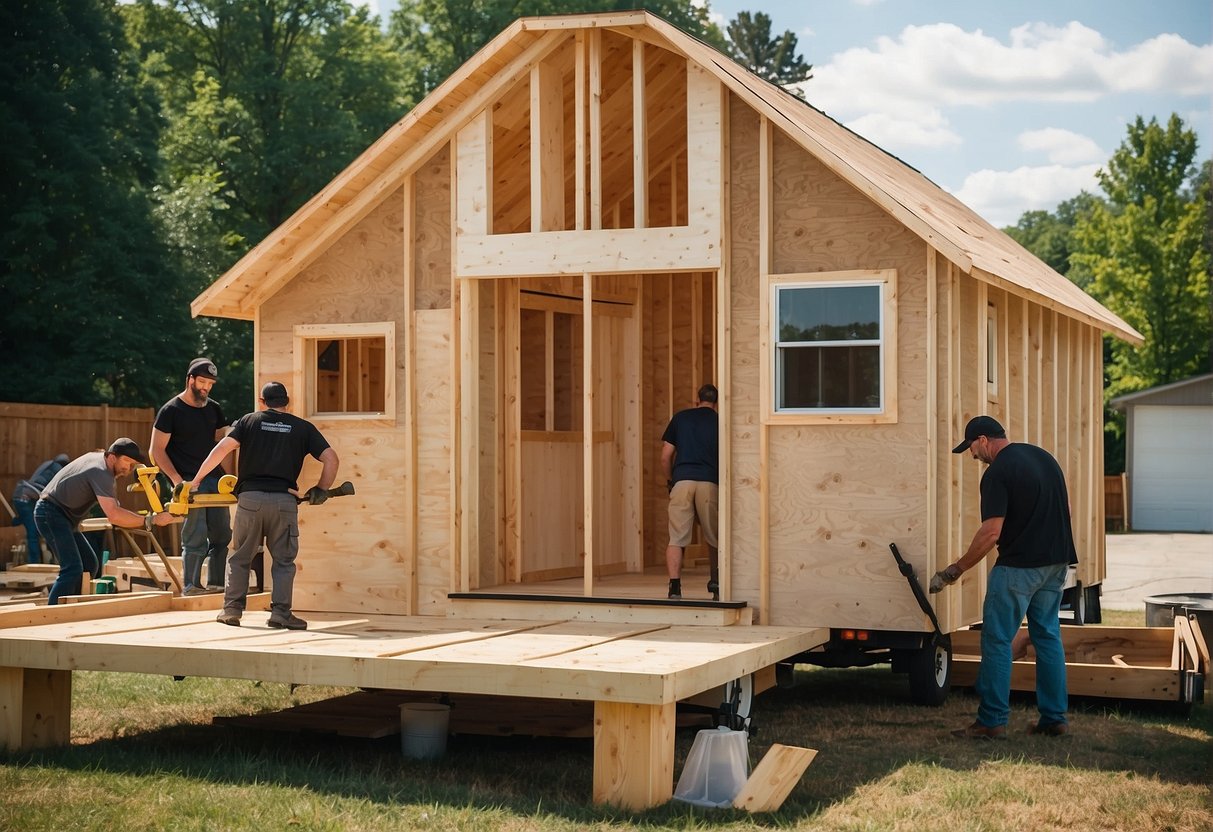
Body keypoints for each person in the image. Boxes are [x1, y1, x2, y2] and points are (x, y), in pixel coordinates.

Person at [930, 415, 1077, 739]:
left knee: (996, 641)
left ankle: (991, 721)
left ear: (983, 440)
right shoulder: (1044, 458)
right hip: (1056, 563)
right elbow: (1065, 510)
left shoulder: (997, 473)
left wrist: (956, 569)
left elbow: (991, 532)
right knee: (1047, 637)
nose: (972, 456)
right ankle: (1055, 718)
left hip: (1018, 568)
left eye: (971, 447)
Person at [189, 381, 338, 631]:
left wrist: (197, 480)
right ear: (286, 403)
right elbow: (331, 458)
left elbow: (222, 449)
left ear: (261, 402)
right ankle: (280, 614)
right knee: (283, 561)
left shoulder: (248, 421)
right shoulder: (303, 428)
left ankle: (231, 611)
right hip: (284, 502)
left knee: (239, 557)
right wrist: (321, 489)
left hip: (250, 500)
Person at [35, 439, 179, 604]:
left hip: (61, 516)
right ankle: (53, 612)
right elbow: (114, 515)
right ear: (112, 457)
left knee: (89, 563)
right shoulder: (101, 471)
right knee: (72, 568)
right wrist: (151, 520)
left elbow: (112, 506)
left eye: (132, 464)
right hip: (51, 513)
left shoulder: (98, 459)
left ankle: (71, 605)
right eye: (126, 461)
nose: (128, 468)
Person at [151, 357, 233, 595]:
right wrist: (178, 481)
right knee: (195, 537)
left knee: (221, 535)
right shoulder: (171, 411)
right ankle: (191, 586)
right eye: (202, 382)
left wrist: (231, 479)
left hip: (215, 480)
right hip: (188, 481)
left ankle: (217, 585)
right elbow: (155, 451)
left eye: (210, 383)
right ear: (190, 380)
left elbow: (223, 445)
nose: (206, 387)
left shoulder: (214, 409)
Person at [661, 383, 719, 601]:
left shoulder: (681, 418)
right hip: (709, 483)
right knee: (715, 538)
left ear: (697, 400)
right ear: (716, 403)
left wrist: (670, 481)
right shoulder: (719, 421)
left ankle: (674, 587)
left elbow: (665, 456)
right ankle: (717, 583)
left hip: (682, 481)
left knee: (676, 538)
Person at [11, 453, 69, 563]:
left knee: (31, 523)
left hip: (20, 494)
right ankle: (34, 563)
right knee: (33, 533)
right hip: (27, 498)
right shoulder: (59, 469)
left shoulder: (48, 464)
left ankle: (17, 521)